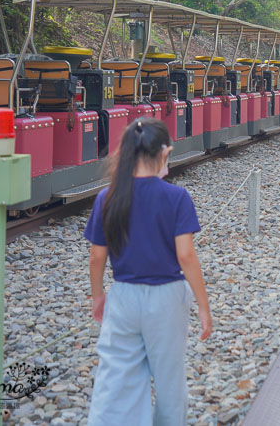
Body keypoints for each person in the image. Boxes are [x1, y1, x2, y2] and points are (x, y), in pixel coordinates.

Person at [84, 118, 212, 426]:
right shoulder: (177, 198)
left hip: (123, 296)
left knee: (117, 380)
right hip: (167, 298)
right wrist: (203, 306)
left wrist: (98, 296)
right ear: (165, 153)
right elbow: (186, 255)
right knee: (169, 381)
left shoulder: (108, 198)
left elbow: (96, 257)